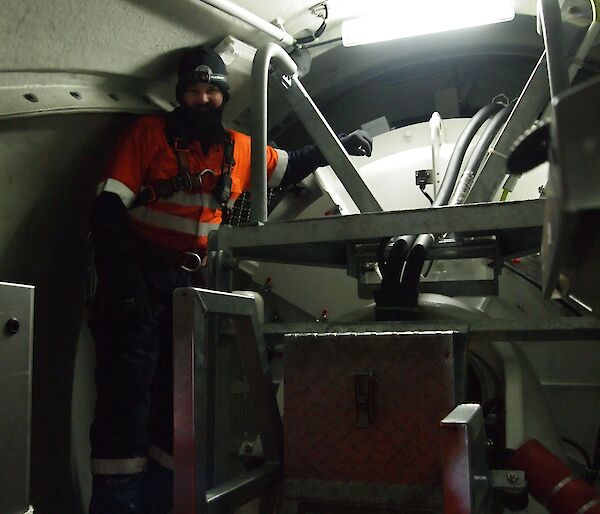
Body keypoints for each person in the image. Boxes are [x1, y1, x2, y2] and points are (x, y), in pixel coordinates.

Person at [88, 45, 373, 514]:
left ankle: (161, 503)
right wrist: (125, 289)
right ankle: (116, 506)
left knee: (174, 405)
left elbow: (288, 162)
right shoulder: (147, 134)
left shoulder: (239, 149)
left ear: (223, 95)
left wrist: (338, 143)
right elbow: (107, 209)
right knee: (125, 403)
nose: (203, 100)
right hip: (139, 284)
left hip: (188, 293)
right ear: (181, 95)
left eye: (212, 91)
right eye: (194, 91)